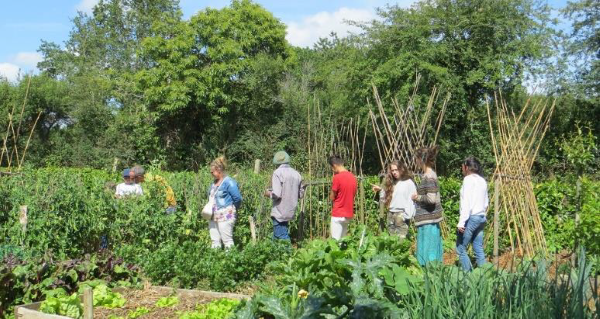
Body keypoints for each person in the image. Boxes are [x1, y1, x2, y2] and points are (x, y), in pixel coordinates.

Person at [411, 146, 444, 266]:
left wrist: (417, 197)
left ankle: (429, 277)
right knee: (428, 251)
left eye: (416, 159)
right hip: (427, 220)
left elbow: (431, 199)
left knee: (429, 254)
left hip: (429, 220)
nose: (416, 161)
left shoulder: (429, 176)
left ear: (421, 159)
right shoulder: (427, 175)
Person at [456, 156, 489, 271]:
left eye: (462, 167)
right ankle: (484, 274)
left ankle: (468, 278)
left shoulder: (468, 179)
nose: (462, 170)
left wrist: (461, 222)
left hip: (472, 218)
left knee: (460, 248)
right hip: (481, 218)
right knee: (478, 247)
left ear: (466, 167)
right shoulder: (482, 180)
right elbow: (486, 203)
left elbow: (466, 203)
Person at [264, 151, 305, 240]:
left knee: (281, 236)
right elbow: (301, 194)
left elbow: (277, 194)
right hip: (290, 210)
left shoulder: (277, 173)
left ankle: (289, 253)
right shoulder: (296, 174)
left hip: (280, 211)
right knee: (276, 235)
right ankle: (272, 252)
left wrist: (268, 193)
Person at [372, 161, 416, 239]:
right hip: (391, 213)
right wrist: (381, 190)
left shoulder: (408, 182)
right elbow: (386, 197)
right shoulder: (391, 182)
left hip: (401, 214)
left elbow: (413, 199)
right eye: (392, 170)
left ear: (401, 169)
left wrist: (407, 215)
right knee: (391, 239)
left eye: (396, 170)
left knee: (400, 241)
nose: (394, 172)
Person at [207, 156, 242, 249]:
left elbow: (238, 198)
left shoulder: (229, 182)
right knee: (215, 240)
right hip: (213, 216)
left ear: (219, 170)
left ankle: (230, 261)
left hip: (225, 215)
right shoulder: (214, 183)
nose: (211, 173)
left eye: (212, 171)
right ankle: (215, 259)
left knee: (227, 240)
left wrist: (232, 209)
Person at [328, 155, 357, 240]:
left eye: (332, 168)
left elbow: (332, 197)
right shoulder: (353, 177)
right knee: (343, 240)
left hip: (338, 213)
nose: (333, 170)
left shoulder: (337, 178)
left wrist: (331, 196)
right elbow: (354, 194)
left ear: (334, 166)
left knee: (335, 242)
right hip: (348, 213)